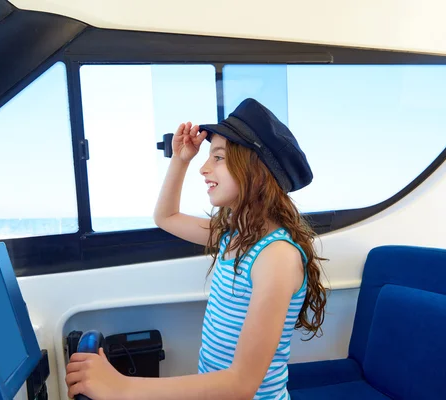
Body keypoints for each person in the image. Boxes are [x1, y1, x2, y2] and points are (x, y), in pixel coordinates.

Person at [65, 98, 327, 399]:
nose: (204, 168)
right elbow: (166, 217)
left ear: (255, 171)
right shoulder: (233, 234)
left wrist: (122, 386)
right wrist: (180, 159)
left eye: (217, 157)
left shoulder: (276, 256)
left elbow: (242, 384)